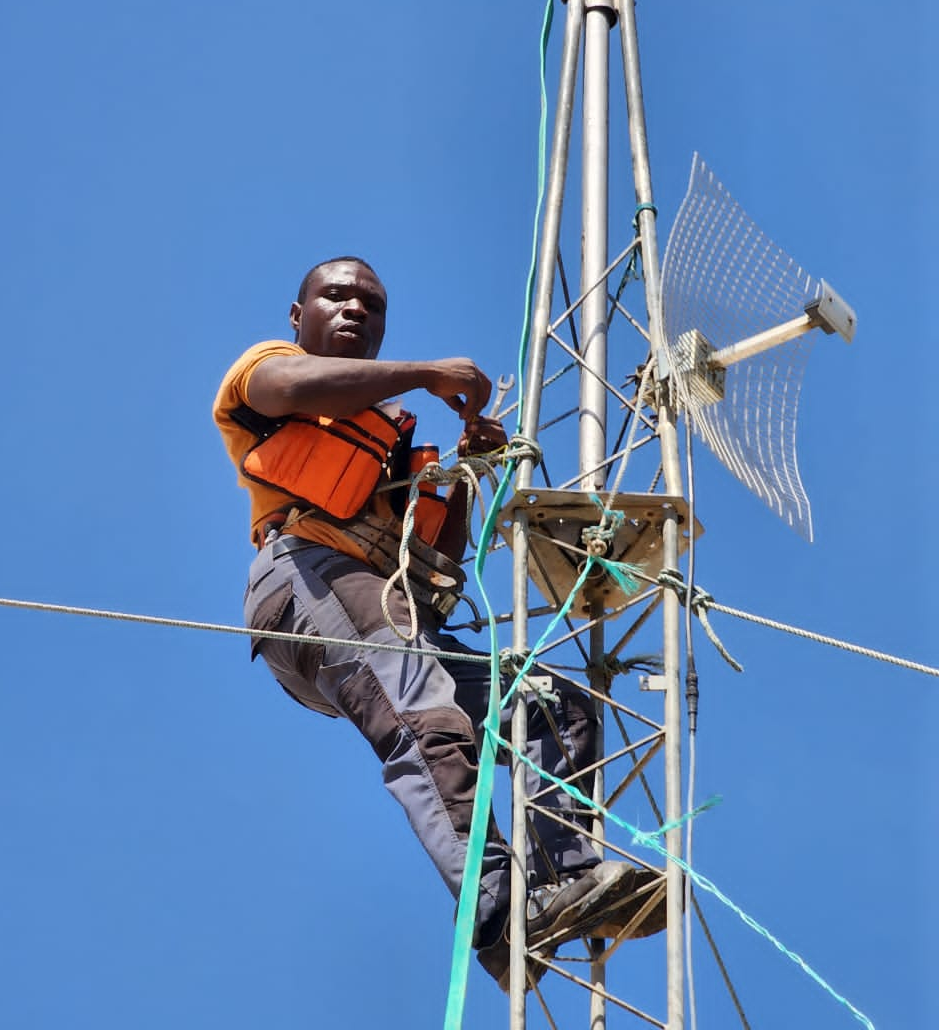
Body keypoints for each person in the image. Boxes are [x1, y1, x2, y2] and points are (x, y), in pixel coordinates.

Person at [213, 256, 664, 990]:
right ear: (299, 316)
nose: (355, 309)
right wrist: (425, 370)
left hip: (386, 609)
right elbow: (291, 389)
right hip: (309, 578)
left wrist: (461, 472)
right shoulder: (270, 367)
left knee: (554, 705)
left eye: (371, 303)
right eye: (336, 296)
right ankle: (495, 910)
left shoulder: (394, 435)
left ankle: (562, 882)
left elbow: (434, 562)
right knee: (425, 714)